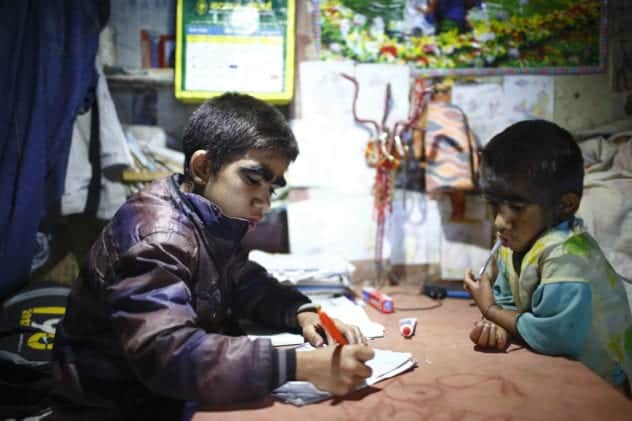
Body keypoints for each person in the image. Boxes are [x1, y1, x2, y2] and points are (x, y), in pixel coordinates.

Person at [51, 92, 375, 419]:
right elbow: (168, 356)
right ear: (204, 167)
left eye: (272, 188)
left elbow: (244, 281)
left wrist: (301, 312)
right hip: (116, 408)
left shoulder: (206, 216)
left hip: (161, 398)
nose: (264, 201)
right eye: (253, 180)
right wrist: (298, 366)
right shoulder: (158, 236)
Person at [463, 120, 632, 395]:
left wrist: (490, 310)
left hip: (606, 386)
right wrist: (499, 327)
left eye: (515, 208)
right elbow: (509, 298)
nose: (499, 222)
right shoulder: (514, 242)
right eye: (494, 206)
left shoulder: (567, 256)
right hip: (565, 374)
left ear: (565, 205)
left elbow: (553, 338)